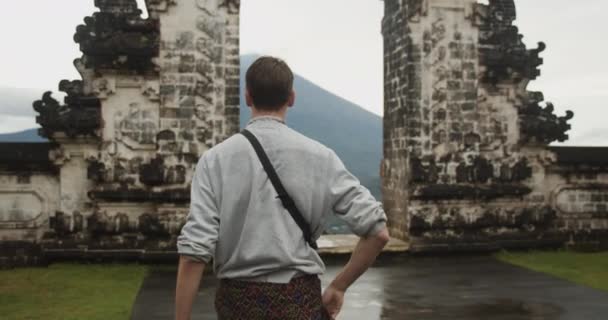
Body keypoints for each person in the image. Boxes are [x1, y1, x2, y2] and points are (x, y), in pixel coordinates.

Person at [175, 56, 390, 320]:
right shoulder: (322, 157)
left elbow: (194, 252)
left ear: (247, 96)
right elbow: (378, 233)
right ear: (291, 98)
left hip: (238, 305)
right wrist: (338, 286)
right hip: (299, 302)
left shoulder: (215, 160)